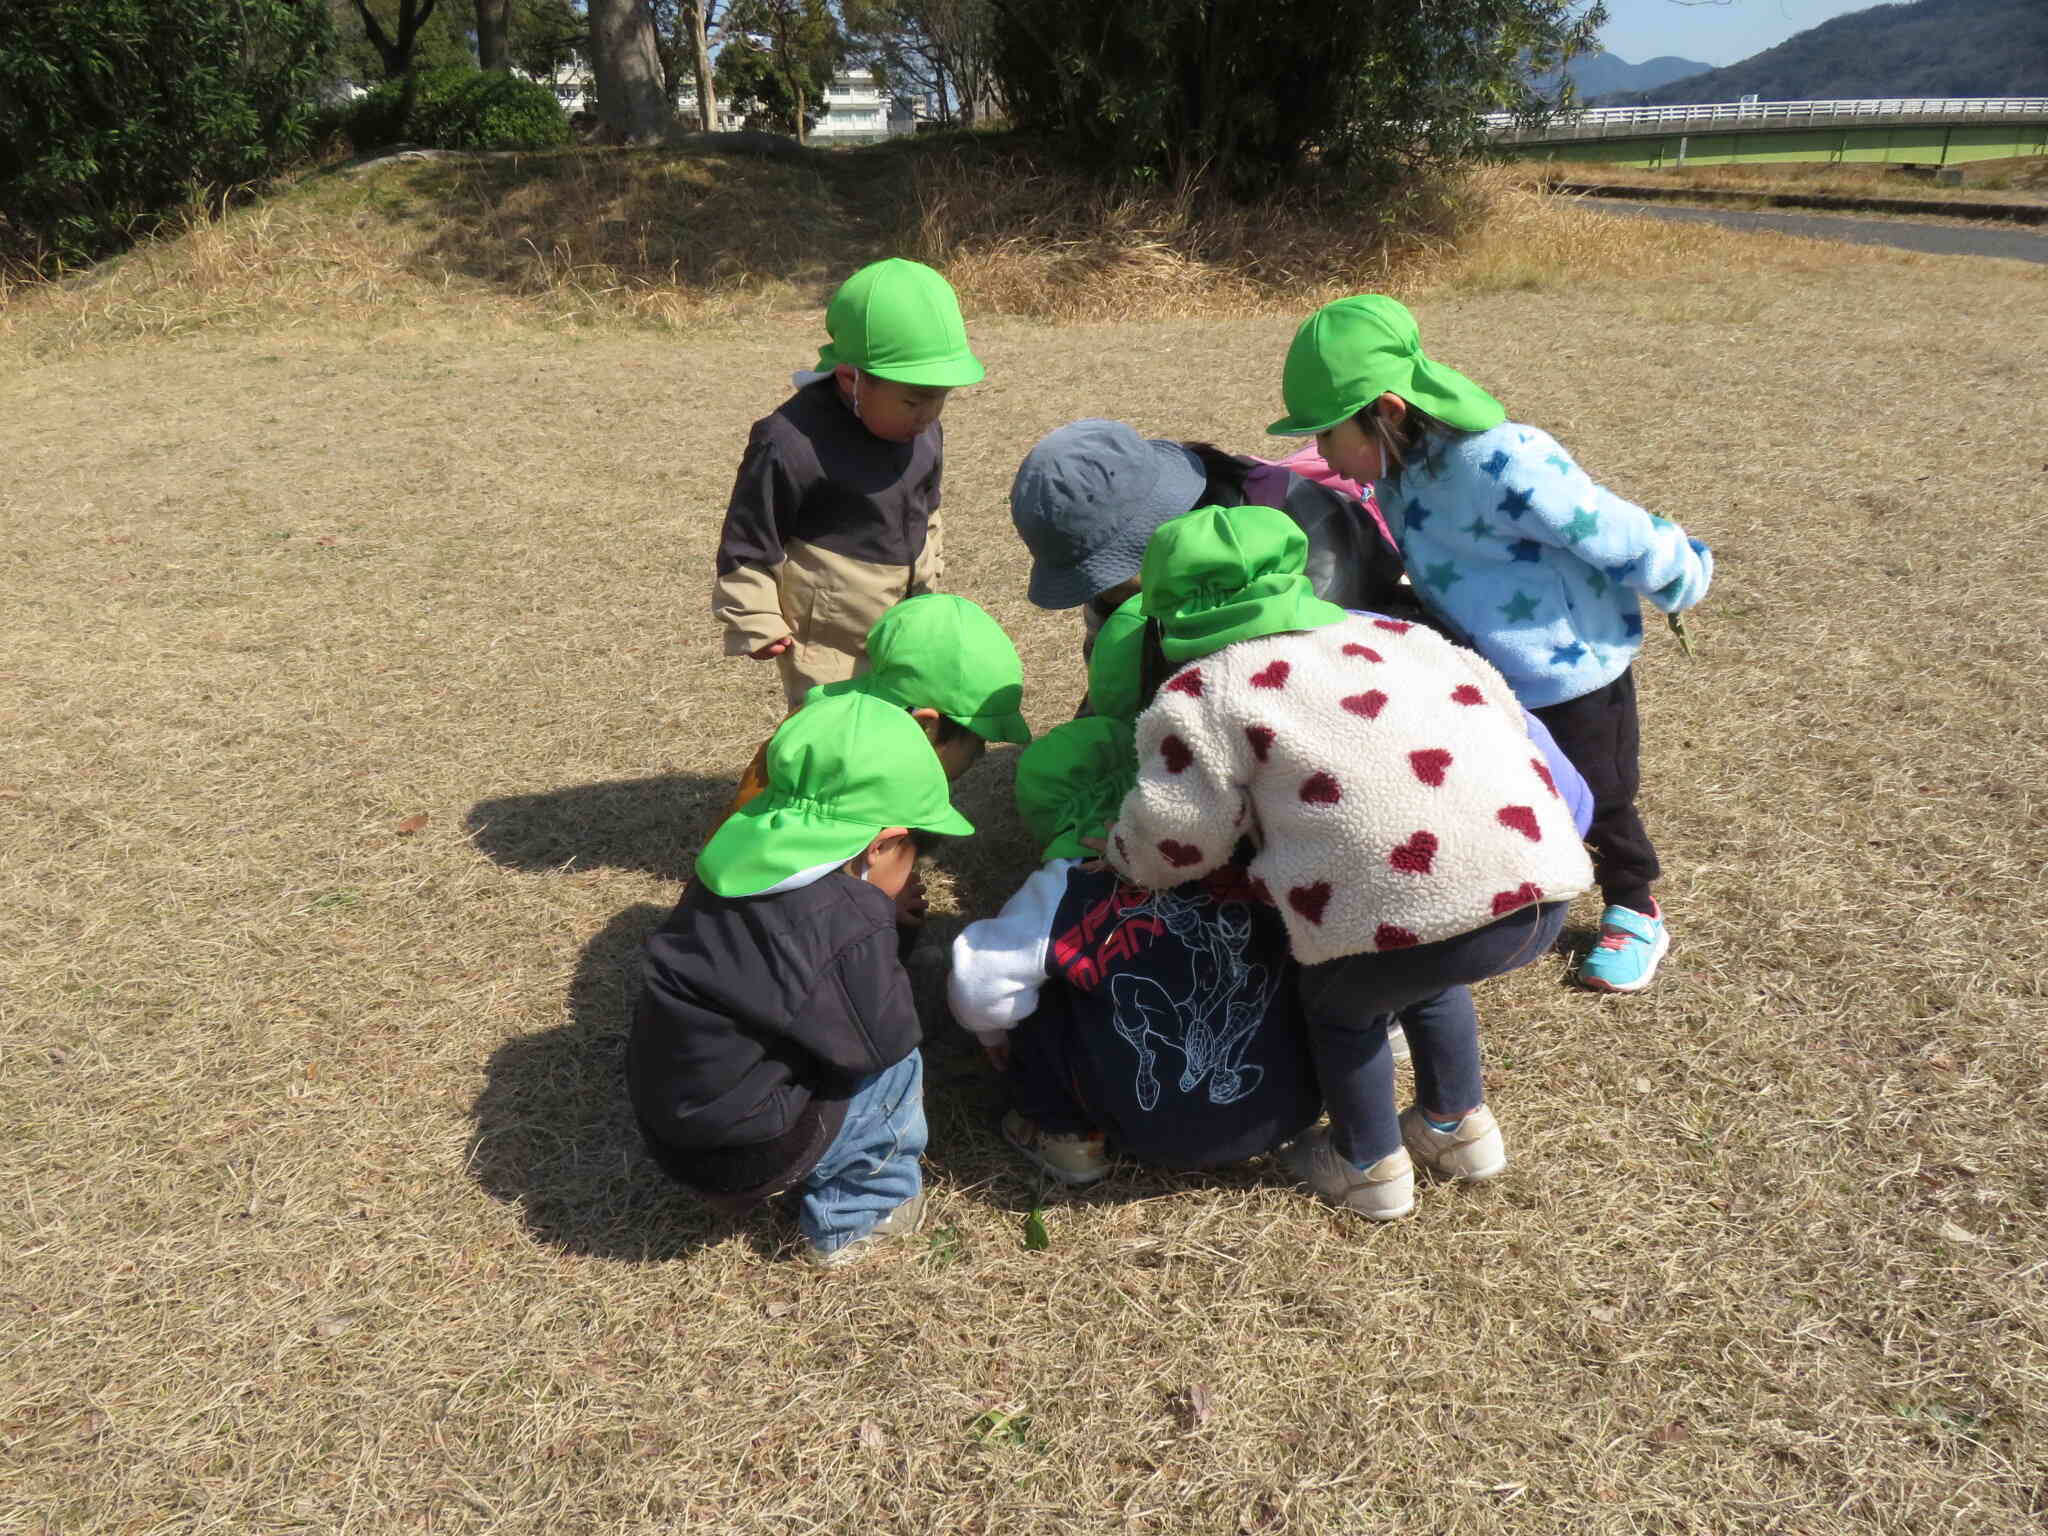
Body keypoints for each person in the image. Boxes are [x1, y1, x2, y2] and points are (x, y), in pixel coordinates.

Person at [1102, 504, 1594, 1221]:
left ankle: (1367, 1166)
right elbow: (1505, 718)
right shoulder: (1401, 635)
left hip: (1410, 908)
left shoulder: (1204, 691)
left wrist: (1122, 852)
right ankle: (1458, 1128)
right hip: (1535, 886)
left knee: (1341, 1007)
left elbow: (1180, 838)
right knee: (1427, 974)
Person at [1268, 294, 1714, 993]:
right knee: (1509, 784)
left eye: (1327, 432)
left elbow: (1602, 524)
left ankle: (1634, 908)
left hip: (1572, 672)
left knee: (1603, 795)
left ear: (1388, 410)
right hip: (1484, 669)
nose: (1321, 450)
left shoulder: (1502, 459)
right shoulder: (1394, 467)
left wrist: (1679, 572)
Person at [627, 692, 974, 1266]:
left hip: (675, 1124)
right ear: (883, 844)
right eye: (913, 853)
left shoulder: (731, 858)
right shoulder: (847, 919)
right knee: (896, 1072)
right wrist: (883, 923)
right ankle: (857, 1219)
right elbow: (882, 1042)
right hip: (745, 1153)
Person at [947, 718, 1318, 1183]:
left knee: (1039, 986)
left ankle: (1064, 1136)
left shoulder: (1069, 885)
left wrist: (992, 1036)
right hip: (1291, 1107)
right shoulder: (1249, 859)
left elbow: (978, 984)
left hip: (1155, 1130)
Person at [711, 258, 985, 711]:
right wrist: (756, 619)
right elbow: (750, 538)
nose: (928, 415)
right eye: (913, 401)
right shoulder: (789, 442)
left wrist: (931, 569)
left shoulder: (924, 432)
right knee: (836, 735)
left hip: (909, 625)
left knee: (907, 726)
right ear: (850, 379)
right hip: (829, 644)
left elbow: (928, 507)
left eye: (941, 398)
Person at [1008, 419, 1412, 666]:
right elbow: (1111, 669)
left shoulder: (1308, 533)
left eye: (1114, 574)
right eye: (1093, 580)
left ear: (1166, 528)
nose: (1106, 595)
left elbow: (1298, 672)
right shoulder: (1114, 584)